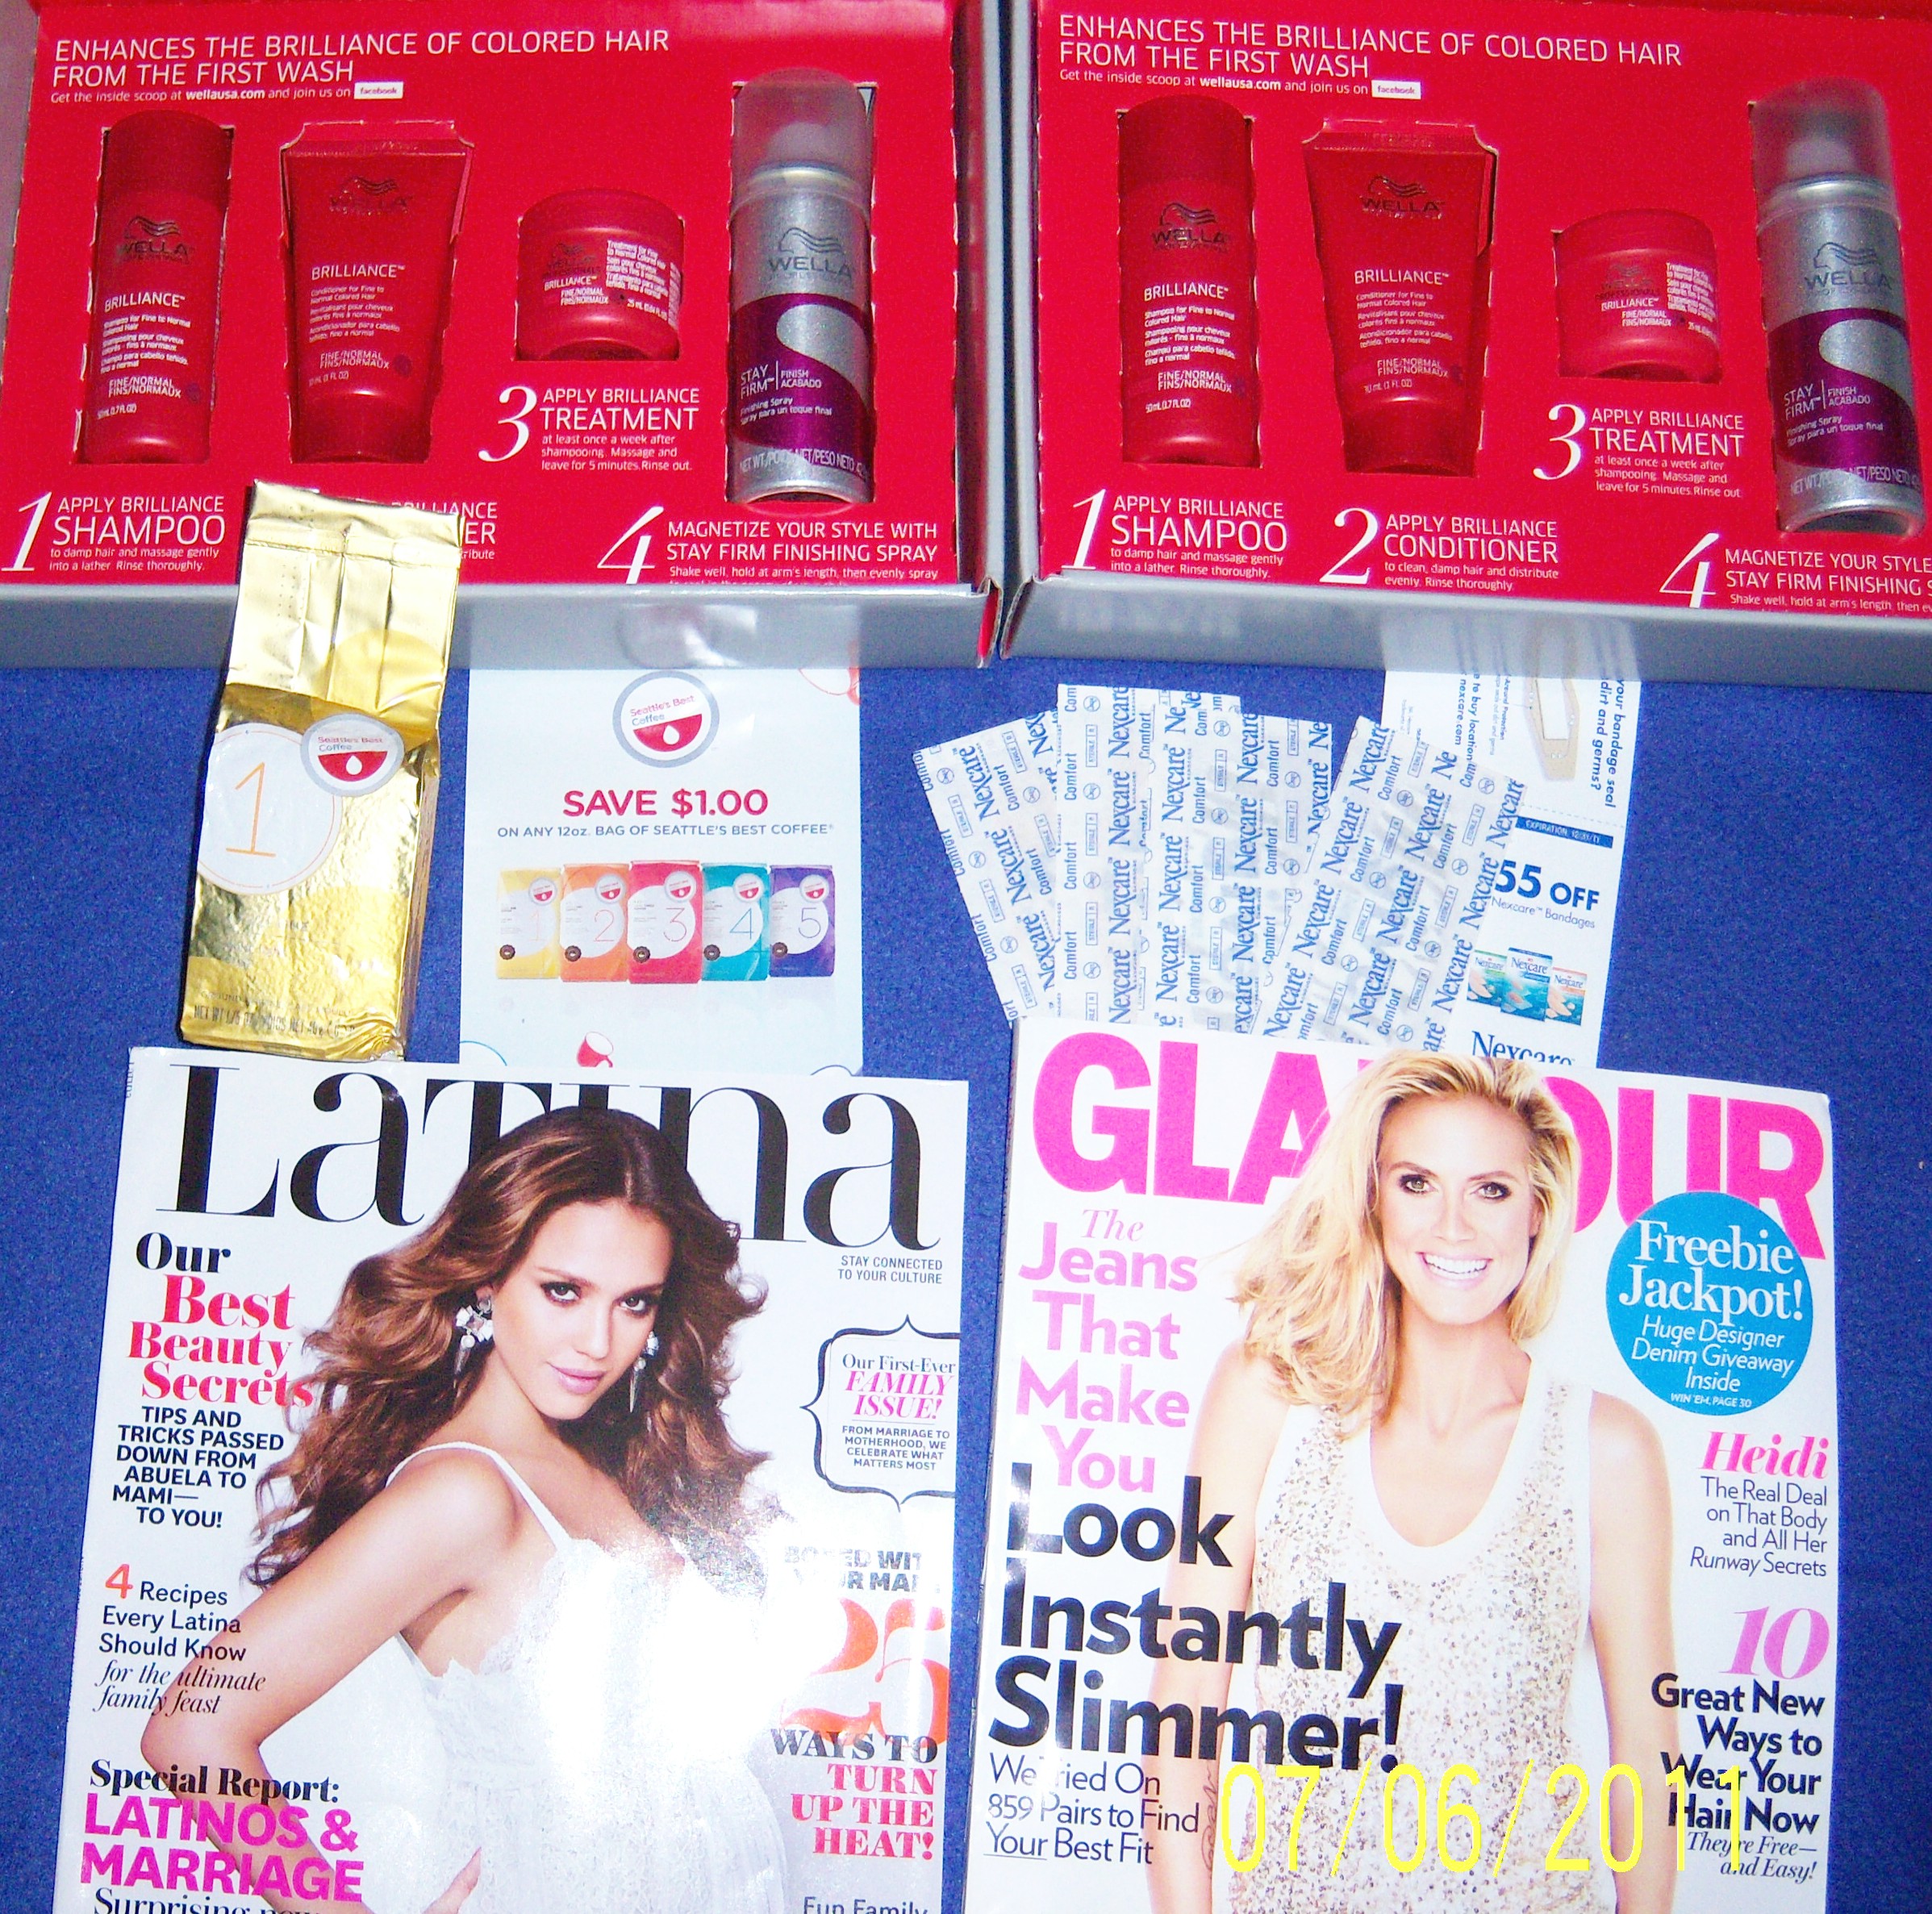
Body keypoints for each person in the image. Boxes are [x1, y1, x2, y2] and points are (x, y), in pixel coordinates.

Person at [144, 1107, 788, 1914]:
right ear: (489, 1277)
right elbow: (191, 1729)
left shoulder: (605, 1458)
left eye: (634, 1302)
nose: (597, 1341)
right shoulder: (463, 1494)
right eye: (563, 1291)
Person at [1147, 1051, 1678, 1914]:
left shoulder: (1606, 1448)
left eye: (1490, 1190)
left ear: (1538, 1211)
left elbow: (1646, 1762)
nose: (1454, 1227)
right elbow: (1184, 1711)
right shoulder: (1267, 1397)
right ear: (1372, 1198)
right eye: (1417, 1183)